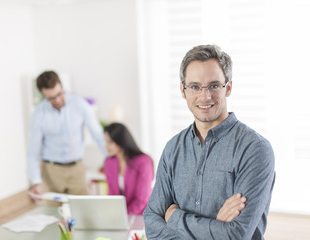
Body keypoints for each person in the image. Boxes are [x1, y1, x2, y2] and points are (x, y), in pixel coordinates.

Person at [143, 45, 275, 239]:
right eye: (195, 87)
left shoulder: (254, 149)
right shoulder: (173, 149)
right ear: (183, 90)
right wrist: (215, 228)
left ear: (228, 87)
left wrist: (174, 217)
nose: (205, 96)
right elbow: (152, 224)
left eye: (214, 85)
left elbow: (236, 235)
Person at [27, 70, 108, 197]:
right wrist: (36, 182)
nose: (58, 99)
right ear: (44, 95)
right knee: (52, 213)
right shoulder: (39, 114)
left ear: (61, 86)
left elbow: (97, 135)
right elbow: (32, 152)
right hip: (51, 171)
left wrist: (111, 160)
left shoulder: (79, 104)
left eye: (59, 94)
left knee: (83, 210)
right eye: (51, 98)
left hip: (76, 169)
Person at [103, 123, 154, 215]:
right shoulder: (109, 162)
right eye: (105, 142)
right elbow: (112, 194)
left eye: (110, 142)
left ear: (120, 141)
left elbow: (142, 198)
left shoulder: (144, 161)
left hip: (143, 214)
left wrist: (125, 215)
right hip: (122, 216)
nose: (106, 146)